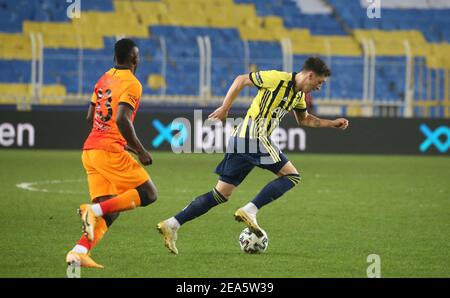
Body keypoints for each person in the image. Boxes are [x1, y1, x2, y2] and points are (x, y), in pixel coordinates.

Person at [157, 57, 349, 254]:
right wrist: (225, 108)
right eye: (319, 82)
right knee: (292, 176)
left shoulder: (298, 96)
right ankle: (250, 210)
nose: (319, 88)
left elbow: (305, 120)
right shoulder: (276, 78)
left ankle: (172, 224)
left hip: (240, 140)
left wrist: (332, 123)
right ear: (310, 75)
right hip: (253, 136)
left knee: (221, 194)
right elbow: (241, 80)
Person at [66, 38, 157, 268]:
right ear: (134, 58)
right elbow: (122, 119)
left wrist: (113, 138)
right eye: (138, 55)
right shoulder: (133, 83)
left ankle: (78, 253)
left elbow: (91, 117)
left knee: (112, 210)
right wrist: (140, 150)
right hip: (107, 151)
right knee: (148, 194)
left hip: (90, 151)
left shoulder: (103, 78)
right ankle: (91, 210)